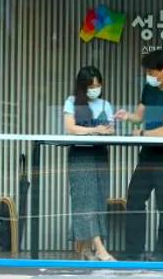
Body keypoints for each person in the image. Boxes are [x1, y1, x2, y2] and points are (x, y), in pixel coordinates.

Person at [115, 49, 163, 262]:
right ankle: (133, 252)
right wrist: (127, 116)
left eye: (152, 71)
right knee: (135, 198)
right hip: (146, 155)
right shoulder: (148, 88)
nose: (149, 75)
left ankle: (161, 253)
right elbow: (139, 117)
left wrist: (143, 133)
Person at [62, 66, 116, 261]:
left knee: (99, 199)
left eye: (98, 85)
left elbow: (110, 130)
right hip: (80, 155)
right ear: (83, 86)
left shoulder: (105, 105)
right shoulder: (72, 102)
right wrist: (95, 130)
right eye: (91, 86)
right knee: (85, 200)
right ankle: (100, 249)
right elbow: (70, 128)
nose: (96, 89)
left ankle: (84, 249)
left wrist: (107, 130)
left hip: (100, 155)